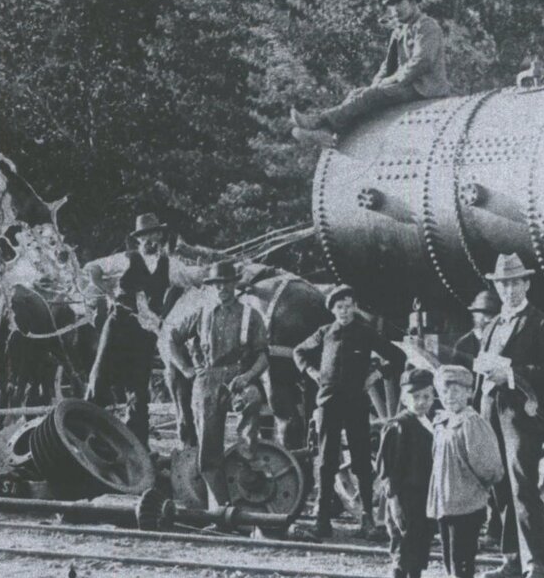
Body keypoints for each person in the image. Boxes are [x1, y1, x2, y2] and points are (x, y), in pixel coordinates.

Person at [471, 253, 544, 578]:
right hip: (489, 410)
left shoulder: (542, 323)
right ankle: (511, 560)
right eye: (503, 284)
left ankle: (537, 567)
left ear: (526, 284)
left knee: (523, 487)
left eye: (515, 283)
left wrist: (511, 373)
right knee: (499, 487)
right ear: (497, 287)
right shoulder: (493, 324)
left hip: (521, 415)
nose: (509, 290)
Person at [293, 284, 406, 540]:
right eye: (339, 307)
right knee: (326, 462)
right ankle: (322, 521)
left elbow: (397, 356)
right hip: (329, 402)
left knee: (362, 461)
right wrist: (312, 372)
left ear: (355, 307)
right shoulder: (324, 333)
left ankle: (367, 521)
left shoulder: (365, 333)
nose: (344, 311)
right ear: (333, 310)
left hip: (356, 403)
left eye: (348, 306)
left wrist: (375, 375)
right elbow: (299, 351)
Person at [159, 260, 270, 508]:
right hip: (206, 381)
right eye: (217, 284)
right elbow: (172, 339)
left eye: (226, 284)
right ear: (211, 287)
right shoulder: (202, 314)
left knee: (252, 398)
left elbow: (263, 355)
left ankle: (246, 456)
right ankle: (220, 508)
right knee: (209, 452)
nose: (222, 289)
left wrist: (248, 376)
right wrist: (186, 369)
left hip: (238, 378)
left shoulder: (250, 315)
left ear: (234, 284)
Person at [290, 0, 452, 141]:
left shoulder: (426, 26)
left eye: (399, 3)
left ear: (413, 3)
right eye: (392, 5)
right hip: (408, 85)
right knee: (357, 94)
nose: (395, 9)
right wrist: (375, 84)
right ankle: (329, 132)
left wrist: (392, 80)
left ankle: (320, 121)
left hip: (424, 88)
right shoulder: (399, 31)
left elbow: (423, 61)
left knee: (370, 96)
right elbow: (388, 65)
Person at [427, 364, 505, 578]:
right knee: (452, 562)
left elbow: (489, 466)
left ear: (469, 393)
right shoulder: (442, 422)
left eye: (457, 390)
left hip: (466, 503)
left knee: (463, 562)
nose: (450, 396)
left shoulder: (471, 423)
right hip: (445, 501)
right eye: (444, 390)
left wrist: (476, 489)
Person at [98, 212, 177, 441]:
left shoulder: (168, 264)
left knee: (139, 391)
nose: (150, 240)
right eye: (144, 236)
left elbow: (192, 277)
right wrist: (110, 293)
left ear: (160, 236)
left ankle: (138, 446)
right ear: (138, 239)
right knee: (99, 379)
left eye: (153, 234)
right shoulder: (125, 259)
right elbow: (93, 270)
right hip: (119, 325)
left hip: (144, 333)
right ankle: (85, 435)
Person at [377, 366, 438, 578]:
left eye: (426, 396)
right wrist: (394, 503)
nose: (421, 402)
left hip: (425, 498)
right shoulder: (398, 426)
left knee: (420, 547)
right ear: (404, 398)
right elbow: (388, 470)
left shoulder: (431, 423)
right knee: (402, 548)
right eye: (415, 397)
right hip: (404, 498)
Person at [452, 287, 500, 366]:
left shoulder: (502, 341)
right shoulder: (463, 344)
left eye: (493, 315)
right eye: (484, 313)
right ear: (474, 314)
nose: (488, 320)